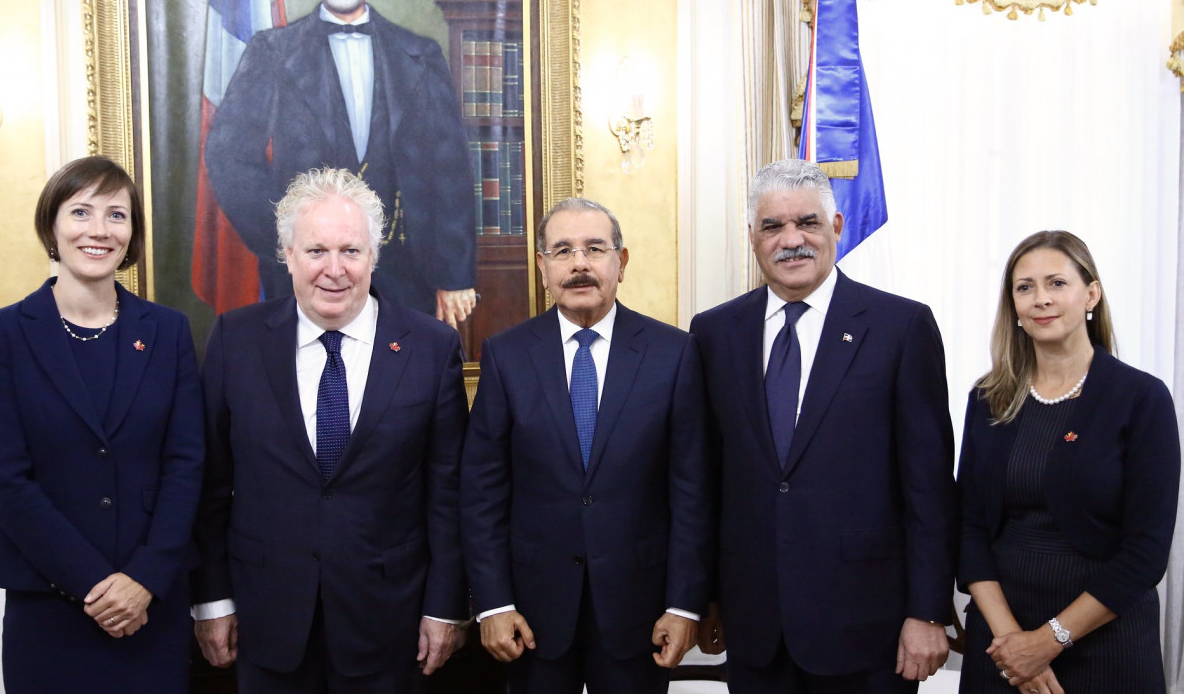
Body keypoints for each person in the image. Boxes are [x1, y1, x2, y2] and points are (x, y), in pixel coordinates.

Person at [191, 167, 469, 692]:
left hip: (392, 623)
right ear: (288, 256)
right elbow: (209, 486)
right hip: (265, 617)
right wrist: (212, 599)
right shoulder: (236, 341)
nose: (334, 270)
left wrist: (446, 605)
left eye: (351, 251)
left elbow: (449, 494)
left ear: (374, 256)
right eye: (316, 251)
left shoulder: (431, 349)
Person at [688, 159, 957, 693]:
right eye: (772, 226)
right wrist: (706, 596)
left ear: (836, 228)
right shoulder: (715, 333)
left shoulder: (901, 328)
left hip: (868, 627)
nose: (792, 240)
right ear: (752, 237)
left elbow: (928, 486)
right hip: (755, 625)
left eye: (807, 222)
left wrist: (928, 611)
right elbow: (705, 479)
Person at [0, 156, 204, 693]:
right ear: (52, 225)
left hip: (151, 599)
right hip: (47, 599)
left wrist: (143, 579)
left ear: (131, 234)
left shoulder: (167, 331)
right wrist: (96, 585)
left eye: (116, 216)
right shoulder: (3, 334)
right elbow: (4, 479)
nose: (99, 230)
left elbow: (186, 465)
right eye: (81, 212)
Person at [461, 197, 714, 693]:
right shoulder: (506, 356)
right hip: (530, 615)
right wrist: (492, 603)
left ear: (620, 262)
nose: (579, 264)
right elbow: (481, 494)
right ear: (542, 267)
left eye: (594, 249)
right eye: (562, 251)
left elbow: (693, 492)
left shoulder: (674, 354)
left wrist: (684, 604)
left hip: (639, 610)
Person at [956, 230, 1179, 694]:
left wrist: (1048, 642)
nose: (1041, 299)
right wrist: (1013, 641)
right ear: (1013, 305)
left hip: (1106, 644)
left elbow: (1146, 553)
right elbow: (969, 527)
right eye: (1025, 287)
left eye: (1057, 283)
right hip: (1002, 647)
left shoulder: (1141, 399)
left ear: (1090, 294)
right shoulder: (988, 398)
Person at [204, 0, 477, 326]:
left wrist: (454, 274)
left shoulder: (421, 55)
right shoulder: (271, 51)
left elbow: (450, 170)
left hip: (408, 279)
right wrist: (289, 239)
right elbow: (228, 155)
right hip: (306, 281)